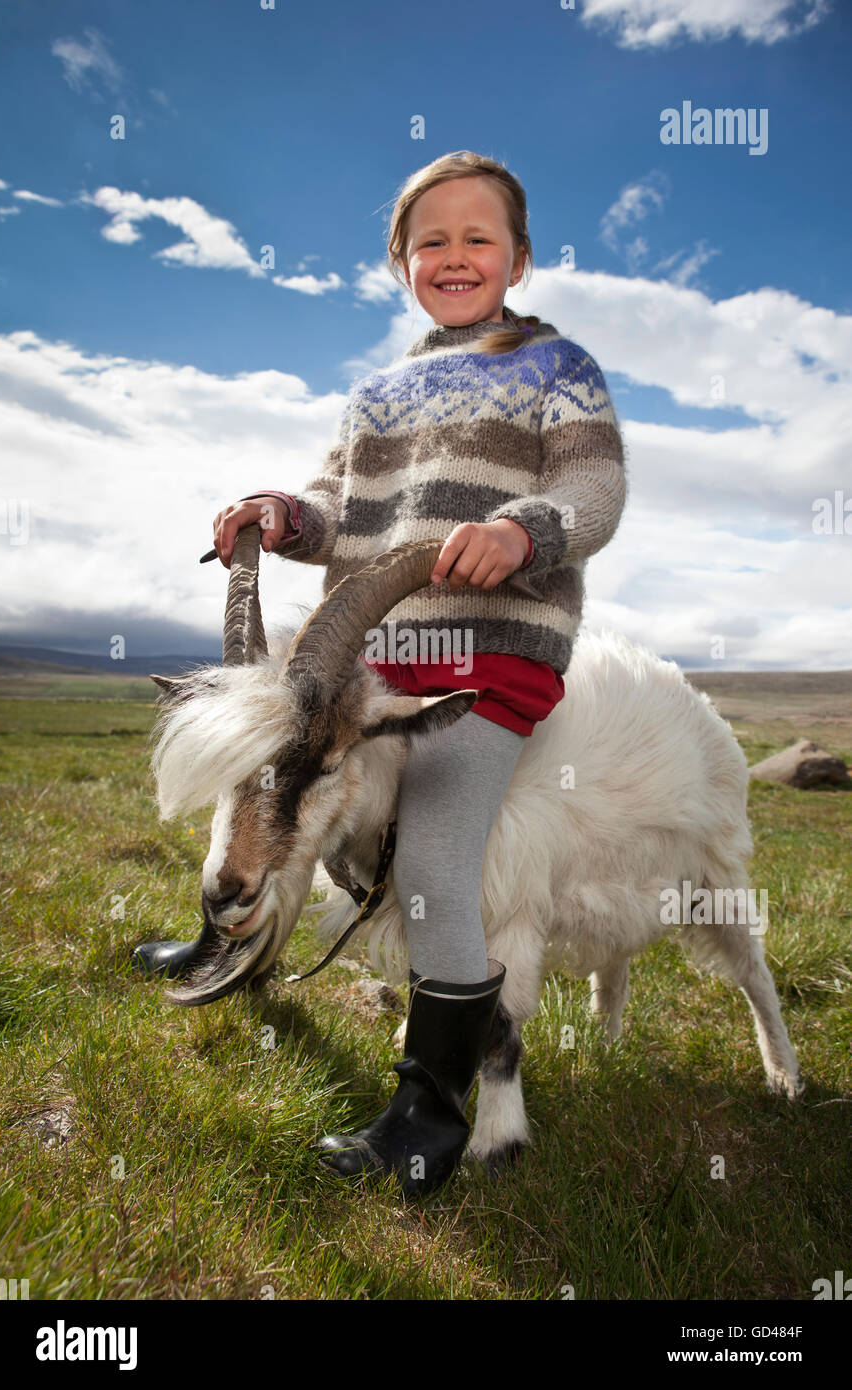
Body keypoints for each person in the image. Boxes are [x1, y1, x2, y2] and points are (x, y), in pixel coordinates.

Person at [206, 151, 626, 1194]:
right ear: (398, 262)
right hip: (371, 664)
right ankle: (224, 938)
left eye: (476, 237)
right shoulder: (375, 394)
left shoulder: (554, 367)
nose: (453, 255)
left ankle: (428, 1113)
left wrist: (527, 530)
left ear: (519, 257)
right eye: (428, 240)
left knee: (435, 862)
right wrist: (282, 517)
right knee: (283, 790)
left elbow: (592, 484)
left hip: (484, 665)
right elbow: (332, 507)